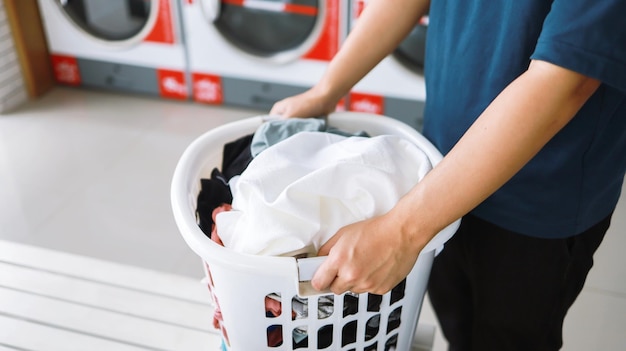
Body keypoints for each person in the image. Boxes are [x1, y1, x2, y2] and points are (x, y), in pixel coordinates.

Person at [269, 0, 626, 350]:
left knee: (509, 338)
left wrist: (402, 232)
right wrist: (326, 90)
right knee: (459, 327)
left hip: (537, 201)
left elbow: (565, 80)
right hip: (439, 168)